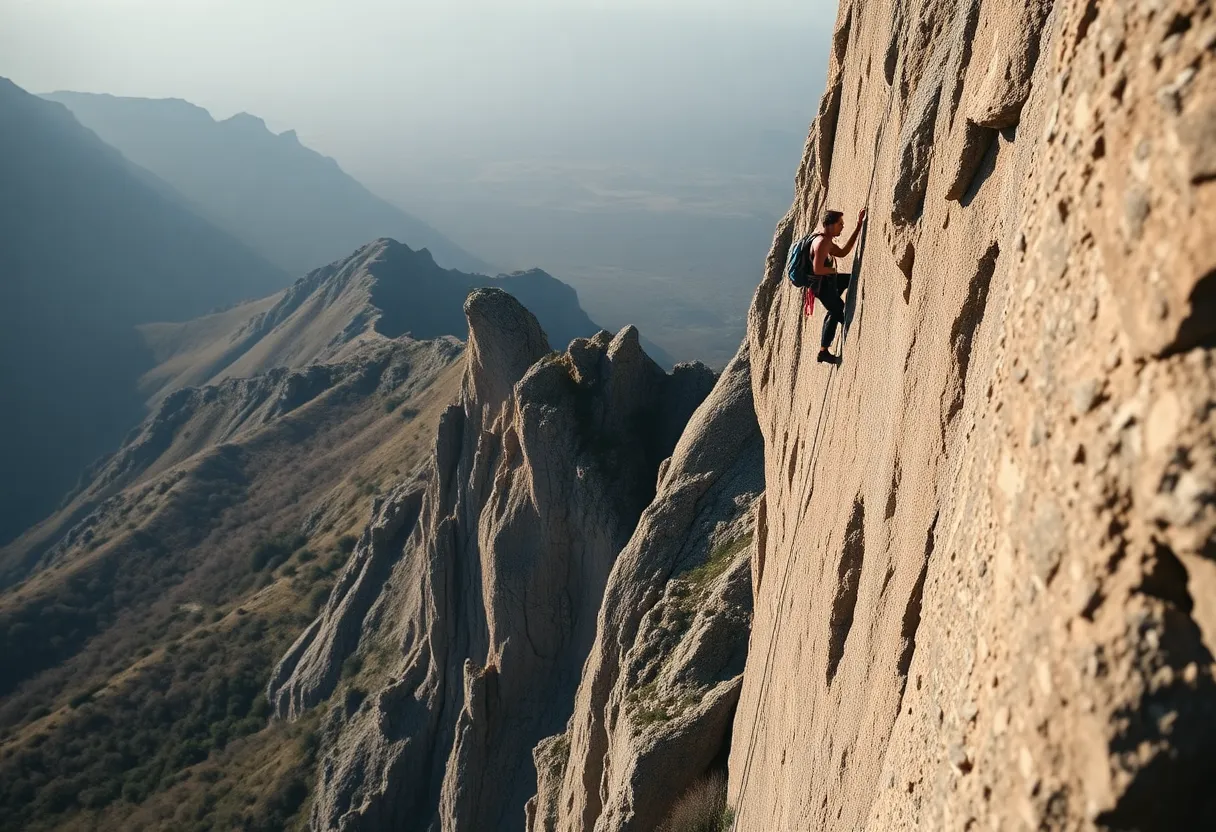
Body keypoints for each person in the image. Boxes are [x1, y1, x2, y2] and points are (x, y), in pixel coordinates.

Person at [811, 208, 866, 365]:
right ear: (830, 225)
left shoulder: (826, 241)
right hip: (822, 286)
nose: (842, 226)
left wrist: (858, 226)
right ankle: (823, 352)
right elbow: (817, 269)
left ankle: (842, 321)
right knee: (837, 309)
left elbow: (842, 253)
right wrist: (833, 270)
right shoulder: (821, 243)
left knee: (850, 281)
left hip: (827, 282)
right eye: (840, 224)